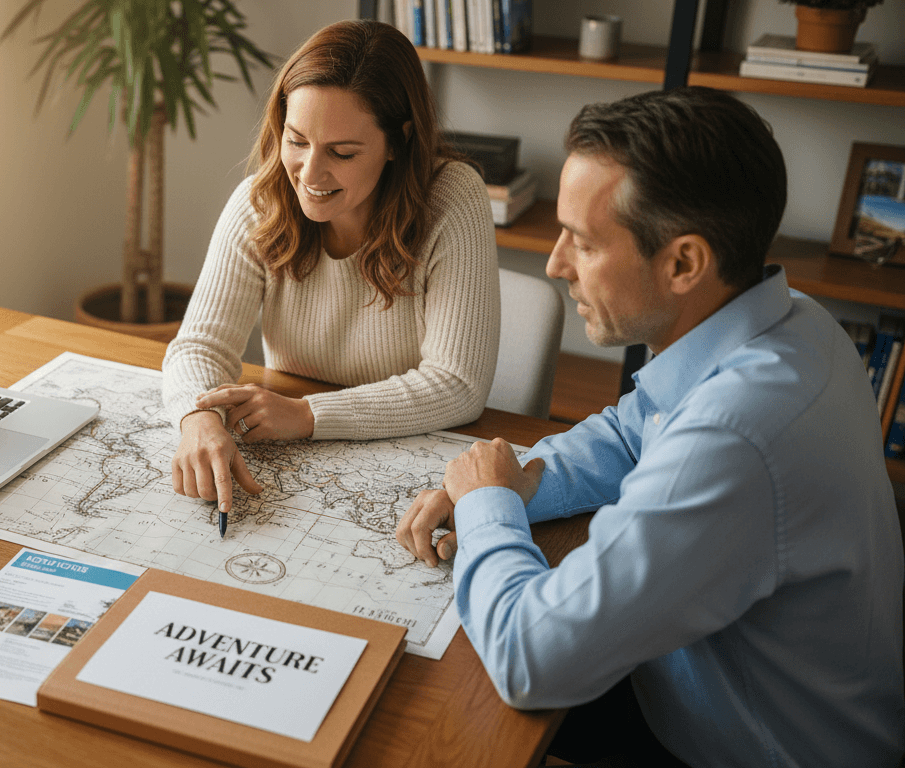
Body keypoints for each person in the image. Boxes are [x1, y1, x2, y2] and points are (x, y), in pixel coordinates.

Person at [396, 86, 905, 767]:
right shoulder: (796, 321)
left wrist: (487, 507)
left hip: (746, 747)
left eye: (582, 240)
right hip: (710, 687)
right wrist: (518, 482)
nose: (555, 264)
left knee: (426, 718)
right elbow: (635, 429)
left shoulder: (735, 439)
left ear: (685, 263)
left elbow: (529, 657)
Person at [163, 19, 500, 517]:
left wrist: (307, 414)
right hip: (296, 461)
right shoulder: (262, 201)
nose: (310, 174)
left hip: (402, 463)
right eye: (297, 141)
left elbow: (458, 384)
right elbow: (199, 346)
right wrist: (199, 416)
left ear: (398, 141)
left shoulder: (454, 199)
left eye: (342, 152)